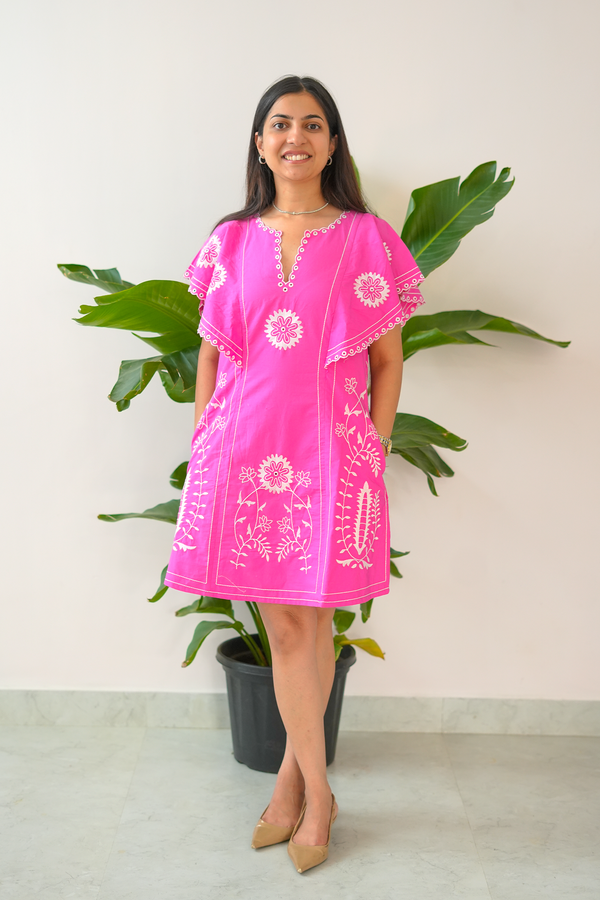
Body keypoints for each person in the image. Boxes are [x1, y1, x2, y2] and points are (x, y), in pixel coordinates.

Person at [165, 75, 424, 873]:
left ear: (333, 143)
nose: (295, 137)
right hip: (244, 460)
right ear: (259, 142)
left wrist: (370, 453)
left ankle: (296, 792)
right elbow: (212, 355)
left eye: (313, 125)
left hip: (329, 459)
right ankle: (317, 792)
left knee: (311, 627)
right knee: (286, 628)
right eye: (280, 124)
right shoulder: (230, 241)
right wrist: (207, 438)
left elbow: (388, 362)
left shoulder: (366, 238)